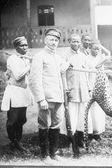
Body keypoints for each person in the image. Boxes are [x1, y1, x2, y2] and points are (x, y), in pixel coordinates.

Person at [29, 28, 71, 164]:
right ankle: (44, 155)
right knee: (44, 125)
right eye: (51, 39)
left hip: (58, 98)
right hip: (46, 99)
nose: (54, 42)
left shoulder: (57, 58)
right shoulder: (39, 56)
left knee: (56, 125)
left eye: (56, 40)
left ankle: (54, 153)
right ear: (45, 40)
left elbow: (62, 69)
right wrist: (41, 99)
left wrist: (69, 63)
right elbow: (34, 80)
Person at [1, 36, 33, 152]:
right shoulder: (13, 59)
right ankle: (14, 143)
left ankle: (17, 142)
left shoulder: (25, 59)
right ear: (16, 47)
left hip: (23, 92)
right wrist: (29, 66)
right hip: (14, 91)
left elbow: (28, 76)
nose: (25, 47)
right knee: (12, 120)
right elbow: (18, 76)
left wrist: (30, 64)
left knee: (22, 119)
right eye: (22, 45)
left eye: (26, 45)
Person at [63, 33, 93, 148]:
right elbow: (63, 74)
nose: (76, 43)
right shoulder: (65, 56)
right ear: (69, 42)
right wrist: (66, 88)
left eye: (77, 42)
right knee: (71, 115)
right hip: (72, 90)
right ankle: (70, 139)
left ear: (80, 43)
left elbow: (86, 74)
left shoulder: (83, 56)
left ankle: (80, 138)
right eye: (73, 41)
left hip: (83, 90)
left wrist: (88, 87)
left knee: (82, 115)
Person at [86, 40, 110, 141]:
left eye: (98, 49)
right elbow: (86, 75)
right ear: (90, 48)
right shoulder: (87, 59)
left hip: (100, 85)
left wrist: (105, 84)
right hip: (91, 85)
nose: (97, 51)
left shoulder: (100, 58)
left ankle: (99, 132)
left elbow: (102, 72)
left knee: (100, 109)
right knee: (92, 110)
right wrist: (88, 88)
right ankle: (91, 133)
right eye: (94, 48)